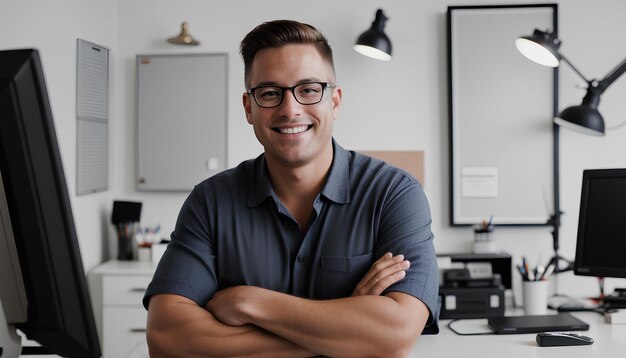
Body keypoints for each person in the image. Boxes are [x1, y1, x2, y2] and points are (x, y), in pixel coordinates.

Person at [143, 19, 439, 357]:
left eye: (309, 90)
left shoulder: (394, 195)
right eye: (270, 93)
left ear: (336, 102)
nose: (290, 109)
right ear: (248, 108)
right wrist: (346, 330)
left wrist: (252, 302)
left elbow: (396, 334)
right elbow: (167, 338)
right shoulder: (210, 201)